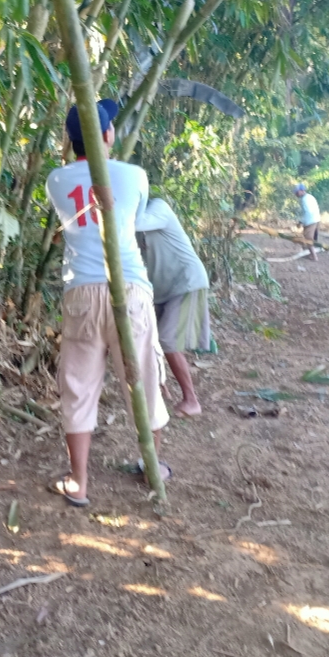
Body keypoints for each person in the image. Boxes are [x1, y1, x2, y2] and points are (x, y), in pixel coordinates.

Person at [44, 100, 169, 507]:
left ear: (70, 141)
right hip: (129, 288)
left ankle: (78, 482)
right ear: (108, 135)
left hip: (80, 291)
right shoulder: (135, 175)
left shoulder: (56, 180)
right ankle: (152, 466)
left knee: (78, 387)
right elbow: (131, 218)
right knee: (143, 376)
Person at [136, 198, 210, 417]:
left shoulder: (158, 207)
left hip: (186, 282)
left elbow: (136, 222)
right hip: (160, 290)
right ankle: (160, 387)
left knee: (167, 340)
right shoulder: (131, 224)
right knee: (149, 340)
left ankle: (191, 400)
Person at [294, 183, 321, 261]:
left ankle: (314, 256)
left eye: (297, 192)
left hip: (310, 221)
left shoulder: (304, 199)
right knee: (312, 239)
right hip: (316, 219)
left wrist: (301, 222)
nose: (296, 194)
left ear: (302, 191)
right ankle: (310, 253)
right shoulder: (310, 197)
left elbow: (307, 212)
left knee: (308, 239)